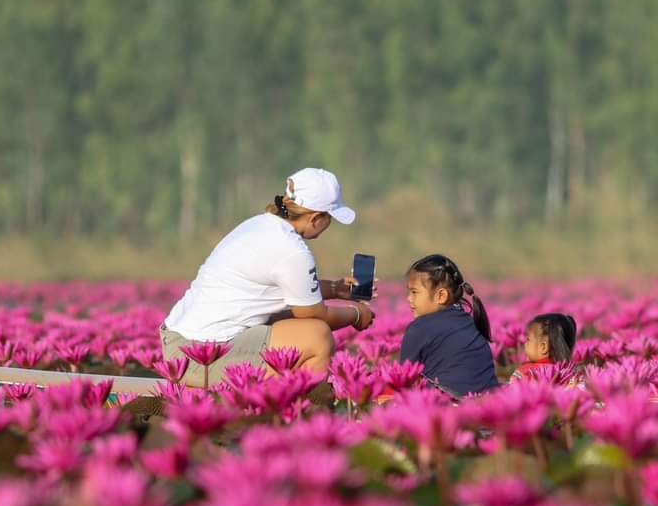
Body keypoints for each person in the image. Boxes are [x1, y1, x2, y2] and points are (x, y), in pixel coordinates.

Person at [161, 168, 375, 387]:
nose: (329, 225)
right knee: (317, 336)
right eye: (330, 218)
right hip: (199, 355)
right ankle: (291, 413)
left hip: (177, 343)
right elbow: (315, 314)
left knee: (288, 321)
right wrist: (357, 315)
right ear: (315, 218)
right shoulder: (293, 251)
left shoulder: (260, 225)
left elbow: (291, 288)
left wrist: (335, 289)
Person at [399, 254, 498, 398]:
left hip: (450, 408)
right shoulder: (471, 322)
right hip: (493, 403)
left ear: (441, 296)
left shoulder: (419, 328)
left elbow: (403, 379)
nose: (409, 298)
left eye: (414, 292)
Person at [512, 313, 577, 381]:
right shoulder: (571, 374)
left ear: (543, 347)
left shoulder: (525, 372)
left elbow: (510, 389)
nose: (525, 344)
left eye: (528, 339)